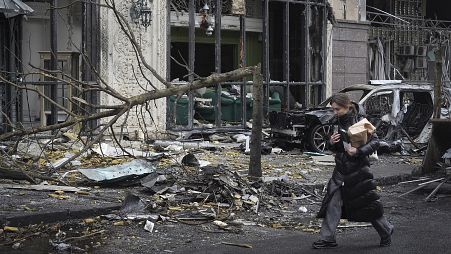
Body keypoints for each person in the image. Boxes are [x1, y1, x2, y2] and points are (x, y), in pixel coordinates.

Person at [312, 93, 394, 249]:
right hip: (341, 170)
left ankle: (386, 230)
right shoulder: (338, 121)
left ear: (347, 106)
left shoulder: (359, 121)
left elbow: (376, 142)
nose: (334, 112)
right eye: (333, 109)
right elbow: (339, 147)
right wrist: (330, 142)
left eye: (337, 109)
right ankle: (327, 238)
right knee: (333, 202)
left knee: (366, 205)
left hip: (358, 172)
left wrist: (358, 152)